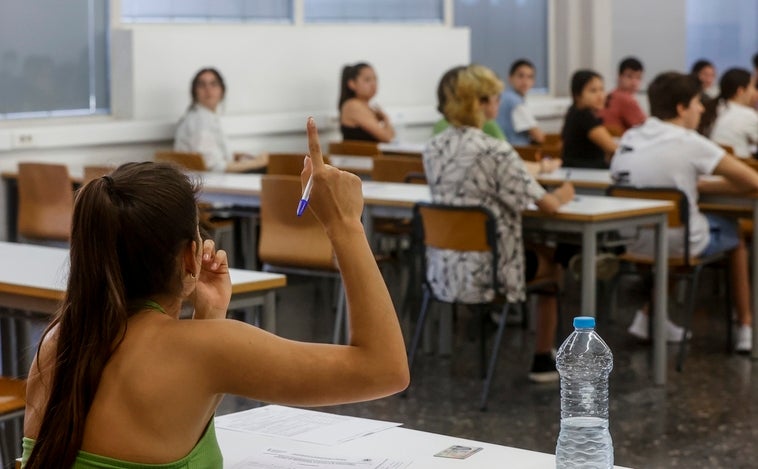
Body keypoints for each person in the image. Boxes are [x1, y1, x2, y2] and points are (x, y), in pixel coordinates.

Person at [22, 119, 410, 468]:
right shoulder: (205, 350)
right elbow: (384, 370)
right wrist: (345, 225)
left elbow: (174, 402)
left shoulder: (57, 343)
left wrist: (208, 320)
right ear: (190, 257)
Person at [423, 64, 574, 382]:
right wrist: (563, 194)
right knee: (552, 265)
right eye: (494, 98)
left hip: (443, 266)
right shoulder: (496, 150)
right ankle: (542, 359)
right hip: (492, 271)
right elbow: (545, 205)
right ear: (479, 103)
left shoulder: (433, 147)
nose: (498, 103)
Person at [610, 72, 758, 351]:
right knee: (734, 235)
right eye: (696, 103)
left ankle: (646, 317)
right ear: (681, 108)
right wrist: (707, 185)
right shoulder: (689, 142)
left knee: (671, 233)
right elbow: (751, 181)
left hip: (630, 239)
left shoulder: (630, 136)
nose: (702, 108)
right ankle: (746, 327)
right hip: (679, 241)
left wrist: (693, 183)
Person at [174, 68, 269, 173]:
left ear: (222, 90)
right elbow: (214, 167)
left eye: (213, 84)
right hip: (210, 183)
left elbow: (211, 154)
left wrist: (236, 156)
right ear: (194, 92)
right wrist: (259, 162)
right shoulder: (200, 120)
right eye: (202, 85)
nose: (208, 89)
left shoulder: (205, 117)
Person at [561, 70, 618, 168]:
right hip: (586, 174)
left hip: (579, 171)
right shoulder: (584, 116)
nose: (600, 96)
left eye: (602, 89)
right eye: (593, 91)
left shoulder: (573, 112)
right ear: (577, 95)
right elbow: (612, 148)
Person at [433, 65, 507, 141]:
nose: (499, 102)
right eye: (497, 97)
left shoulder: (433, 145)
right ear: (479, 102)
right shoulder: (496, 147)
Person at [707, 68, 758, 158]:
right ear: (740, 91)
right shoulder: (747, 115)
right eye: (753, 87)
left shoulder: (714, 108)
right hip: (741, 168)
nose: (755, 92)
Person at [338, 62, 394, 142]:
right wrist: (386, 119)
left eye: (375, 79)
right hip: (359, 154)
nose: (373, 84)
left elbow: (391, 135)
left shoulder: (367, 106)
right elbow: (387, 138)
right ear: (352, 84)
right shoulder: (353, 105)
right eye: (367, 80)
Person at [497, 59, 545, 145]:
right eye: (521, 76)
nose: (525, 81)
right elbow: (539, 137)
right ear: (510, 78)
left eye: (530, 77)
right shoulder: (515, 102)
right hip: (518, 151)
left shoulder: (502, 96)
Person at [601, 57, 647, 134]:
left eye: (638, 78)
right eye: (629, 76)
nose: (634, 82)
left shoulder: (610, 95)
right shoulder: (626, 99)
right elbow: (646, 127)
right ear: (619, 76)